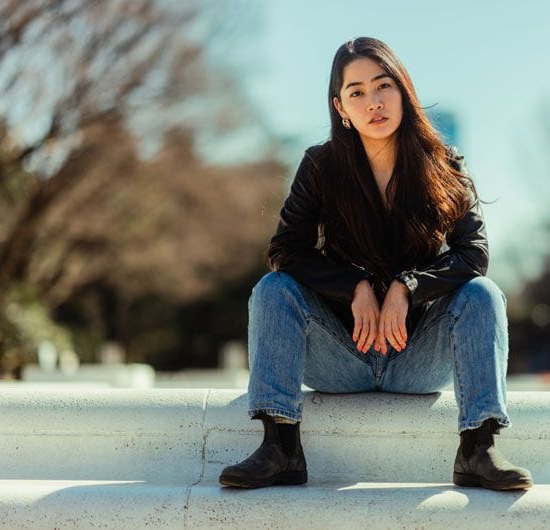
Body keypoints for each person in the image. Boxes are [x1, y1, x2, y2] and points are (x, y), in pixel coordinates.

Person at [219, 36, 532, 492]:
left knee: (483, 294)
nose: (374, 102)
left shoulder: (444, 164)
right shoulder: (321, 166)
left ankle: (478, 449)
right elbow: (287, 249)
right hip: (340, 356)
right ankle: (280, 448)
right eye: (357, 91)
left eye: (383, 86)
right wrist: (356, 286)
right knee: (273, 289)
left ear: (403, 91)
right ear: (340, 106)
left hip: (417, 358)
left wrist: (407, 286)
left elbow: (474, 254)